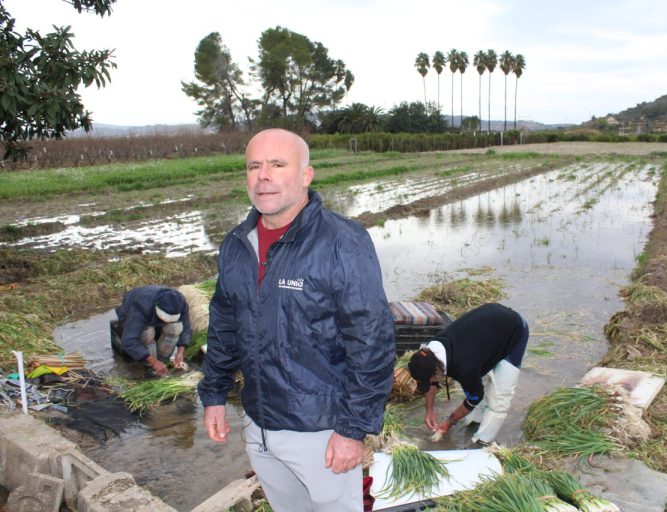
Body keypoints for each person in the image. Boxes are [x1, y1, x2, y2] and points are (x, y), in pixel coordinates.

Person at [197, 128, 395, 512]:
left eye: (277, 164)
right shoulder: (238, 243)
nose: (263, 175)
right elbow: (224, 323)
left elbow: (371, 341)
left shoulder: (342, 242)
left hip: (321, 433)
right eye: (254, 165)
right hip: (259, 425)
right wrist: (215, 394)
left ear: (306, 175)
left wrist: (352, 430)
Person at [407, 302, 528, 445]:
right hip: (488, 323)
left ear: (438, 371)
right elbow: (432, 381)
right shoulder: (430, 350)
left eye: (430, 380)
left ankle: (483, 442)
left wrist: (451, 421)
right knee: (480, 380)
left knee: (499, 398)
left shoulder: (464, 368)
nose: (430, 384)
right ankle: (475, 423)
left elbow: (475, 398)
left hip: (513, 329)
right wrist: (430, 410)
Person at [113, 285, 190, 377]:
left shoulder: (180, 303)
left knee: (175, 328)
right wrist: (153, 361)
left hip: (152, 312)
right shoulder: (141, 306)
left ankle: (163, 359)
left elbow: (186, 328)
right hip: (132, 309)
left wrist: (180, 353)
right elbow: (128, 341)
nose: (166, 322)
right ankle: (150, 366)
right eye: (165, 319)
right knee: (147, 334)